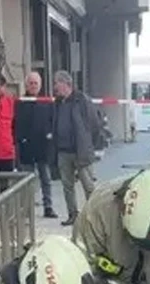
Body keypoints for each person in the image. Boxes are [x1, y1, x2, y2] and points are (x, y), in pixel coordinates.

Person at [53, 70, 103, 225]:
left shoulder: (82, 100)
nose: (55, 87)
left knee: (88, 186)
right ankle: (72, 214)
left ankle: (93, 217)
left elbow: (94, 124)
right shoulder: (58, 102)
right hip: (63, 150)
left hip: (80, 151)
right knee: (67, 186)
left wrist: (89, 144)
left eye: (57, 83)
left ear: (65, 84)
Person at [15, 71, 58, 219]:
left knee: (46, 178)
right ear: (26, 85)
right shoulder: (20, 102)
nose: (33, 86)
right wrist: (20, 139)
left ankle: (48, 207)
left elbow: (53, 121)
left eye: (36, 83)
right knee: (27, 180)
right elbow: (16, 123)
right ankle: (27, 209)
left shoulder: (47, 101)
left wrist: (51, 135)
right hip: (26, 147)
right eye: (31, 83)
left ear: (40, 85)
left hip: (43, 147)